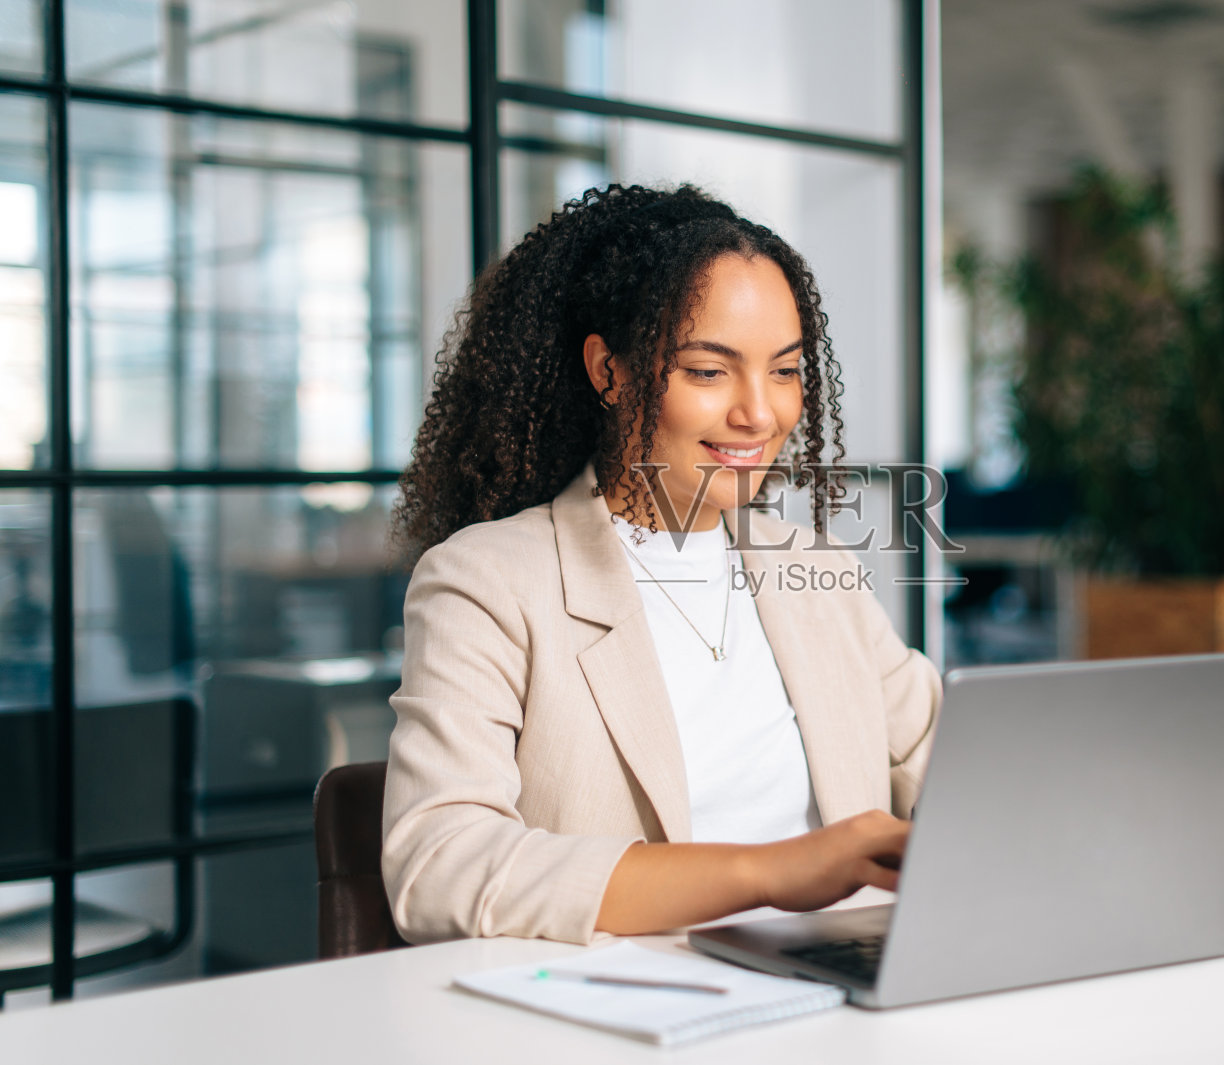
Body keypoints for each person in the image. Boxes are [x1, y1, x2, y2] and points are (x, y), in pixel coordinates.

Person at [382, 184, 941, 945]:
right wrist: (771, 870)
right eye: (709, 371)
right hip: (633, 1014)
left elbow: (957, 764)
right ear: (609, 371)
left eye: (784, 371)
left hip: (844, 996)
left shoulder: (815, 573)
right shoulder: (487, 582)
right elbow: (438, 865)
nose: (760, 413)